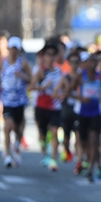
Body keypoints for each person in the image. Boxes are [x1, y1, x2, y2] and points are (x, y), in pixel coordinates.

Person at [0, 36, 32, 168]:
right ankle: (7, 154)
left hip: (20, 101)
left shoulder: (23, 63)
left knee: (18, 128)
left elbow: (31, 79)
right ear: (8, 49)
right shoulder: (2, 63)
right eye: (12, 48)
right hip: (7, 101)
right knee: (7, 126)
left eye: (16, 49)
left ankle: (16, 144)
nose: (14, 51)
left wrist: (22, 76)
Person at [70, 53, 101, 181]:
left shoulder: (100, 77)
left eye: (95, 61)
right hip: (83, 113)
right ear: (86, 63)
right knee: (83, 141)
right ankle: (89, 161)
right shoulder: (81, 76)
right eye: (91, 61)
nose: (93, 64)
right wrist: (80, 98)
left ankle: (92, 169)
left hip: (96, 113)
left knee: (94, 140)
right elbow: (69, 91)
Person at [31, 44, 63, 172]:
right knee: (42, 135)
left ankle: (53, 159)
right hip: (41, 106)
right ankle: (45, 152)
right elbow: (31, 87)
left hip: (55, 106)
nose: (50, 57)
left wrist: (63, 94)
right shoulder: (40, 71)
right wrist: (43, 87)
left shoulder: (59, 71)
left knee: (55, 131)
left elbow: (65, 86)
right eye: (48, 54)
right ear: (44, 57)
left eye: (52, 55)